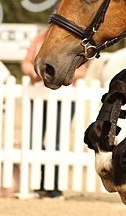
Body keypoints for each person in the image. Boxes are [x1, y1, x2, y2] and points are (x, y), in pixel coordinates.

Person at [22, 26, 86, 197]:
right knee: (36, 139)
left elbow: (81, 70)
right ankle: (41, 181)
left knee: (58, 140)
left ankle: (55, 185)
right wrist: (34, 72)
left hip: (63, 97)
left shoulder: (76, 40)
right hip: (39, 94)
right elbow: (26, 62)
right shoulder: (40, 38)